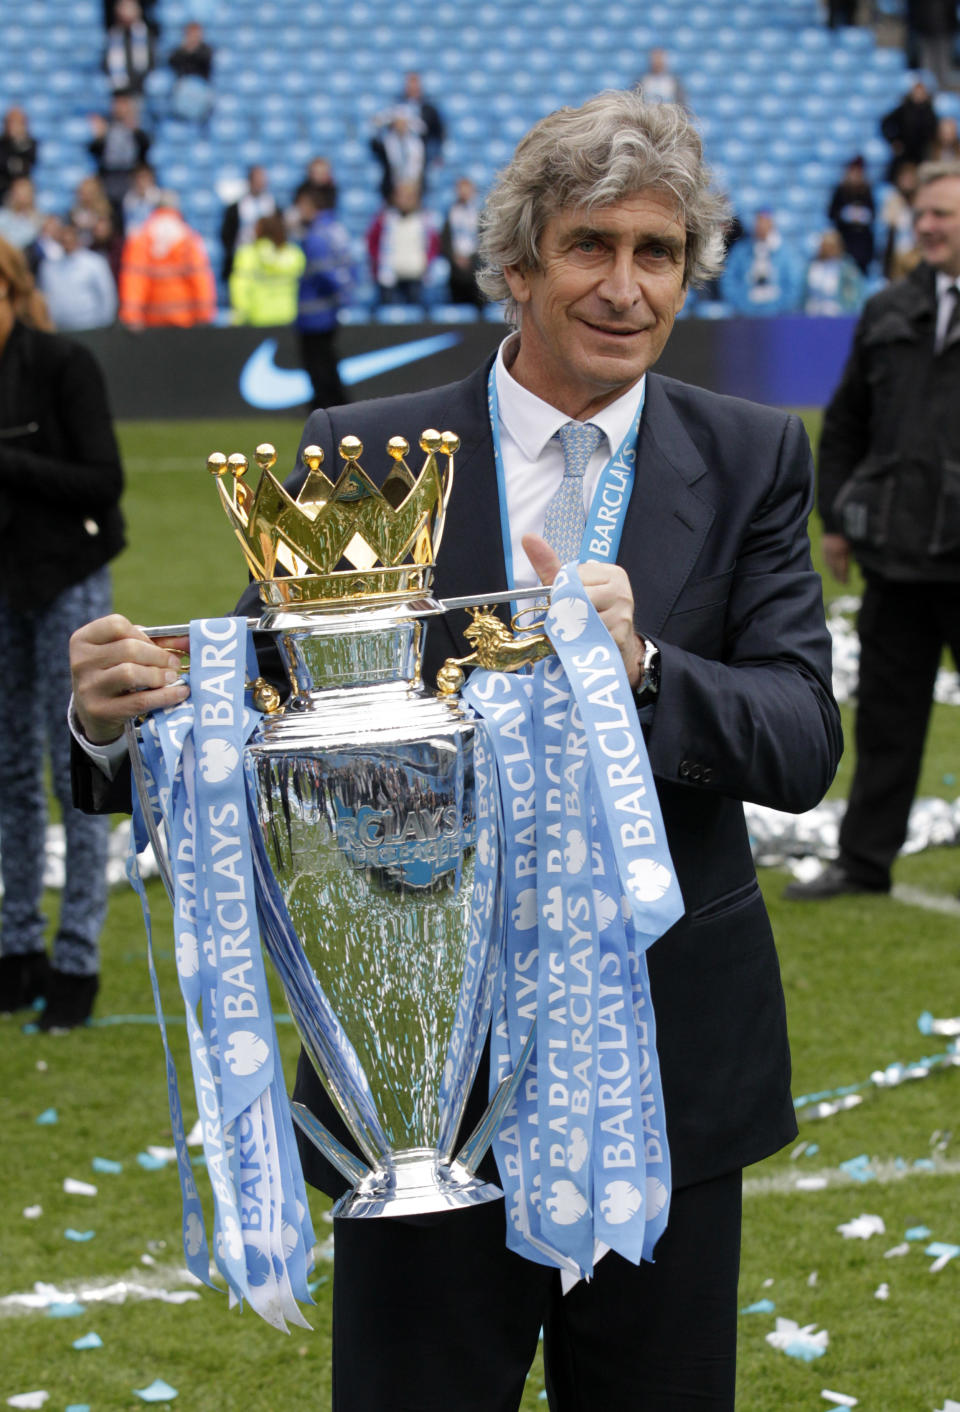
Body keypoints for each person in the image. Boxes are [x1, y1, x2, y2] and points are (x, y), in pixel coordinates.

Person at [69, 91, 841, 1410]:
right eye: (590, 246)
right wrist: (110, 719)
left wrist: (644, 668)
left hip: (660, 1064)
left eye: (659, 253)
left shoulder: (755, 453)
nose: (625, 285)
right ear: (515, 265)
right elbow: (251, 722)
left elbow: (800, 737)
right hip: (416, 1062)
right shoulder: (362, 451)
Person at [785, 158, 960, 902]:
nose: (926, 227)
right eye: (921, 214)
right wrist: (835, 524)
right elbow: (847, 421)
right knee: (888, 719)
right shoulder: (889, 307)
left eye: (942, 215)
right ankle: (864, 864)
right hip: (897, 557)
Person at [0, 236, 124, 1030]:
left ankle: (76, 959)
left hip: (68, 581)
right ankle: (16, 949)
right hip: (4, 589)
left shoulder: (61, 364)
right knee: (9, 773)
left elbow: (103, 479)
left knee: (73, 773)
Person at [118, 190, 216, 328]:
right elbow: (200, 278)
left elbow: (135, 279)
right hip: (184, 319)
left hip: (151, 322)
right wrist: (204, 315)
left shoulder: (142, 237)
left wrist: (131, 316)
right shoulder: (188, 237)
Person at [296, 185, 355, 407]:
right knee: (327, 361)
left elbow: (323, 271)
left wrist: (337, 289)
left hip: (314, 312)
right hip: (328, 309)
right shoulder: (336, 230)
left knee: (318, 365)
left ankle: (327, 405)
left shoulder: (316, 235)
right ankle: (333, 403)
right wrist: (344, 292)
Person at [366, 179, 439, 306]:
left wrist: (425, 261)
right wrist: (379, 260)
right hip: (389, 275)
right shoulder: (384, 219)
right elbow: (372, 242)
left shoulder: (425, 220)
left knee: (415, 312)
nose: (404, 200)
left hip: (416, 275)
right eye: (401, 196)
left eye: (409, 197)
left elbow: (433, 245)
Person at [721, 208, 803, 315]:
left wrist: (777, 309)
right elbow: (729, 281)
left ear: (771, 224)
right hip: (746, 315)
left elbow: (793, 286)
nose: (761, 226)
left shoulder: (786, 253)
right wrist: (744, 306)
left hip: (777, 316)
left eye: (765, 222)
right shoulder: (741, 251)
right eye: (758, 222)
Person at [38, 220, 117, 330]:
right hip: (59, 328)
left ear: (78, 238)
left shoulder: (95, 262)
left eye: (70, 236)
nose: (67, 240)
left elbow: (107, 294)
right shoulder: (48, 266)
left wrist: (105, 324)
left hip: (91, 327)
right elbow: (43, 296)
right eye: (63, 238)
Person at [229, 211, 305, 326]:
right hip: (288, 316)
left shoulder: (248, 255)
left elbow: (240, 288)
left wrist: (239, 318)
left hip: (256, 319)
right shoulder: (295, 255)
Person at [88, 92, 152, 225]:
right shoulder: (106, 125)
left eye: (123, 103)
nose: (119, 107)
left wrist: (136, 131)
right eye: (117, 103)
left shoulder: (135, 125)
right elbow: (94, 152)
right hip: (108, 178)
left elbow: (146, 150)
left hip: (130, 177)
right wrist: (99, 138)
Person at [219, 164, 276, 281]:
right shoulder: (237, 207)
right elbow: (227, 233)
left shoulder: (272, 206)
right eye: (257, 180)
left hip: (267, 261)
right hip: (242, 258)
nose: (260, 184)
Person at [440, 175, 484, 307]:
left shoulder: (480, 214)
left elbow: (484, 240)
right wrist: (455, 257)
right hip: (455, 269)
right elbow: (445, 240)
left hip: (475, 267)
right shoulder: (450, 213)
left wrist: (471, 257)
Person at [827, 155, 876, 275]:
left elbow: (873, 215)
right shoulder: (840, 190)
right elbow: (831, 213)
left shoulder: (866, 190)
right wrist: (846, 215)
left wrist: (862, 216)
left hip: (862, 243)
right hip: (845, 240)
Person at [881, 79, 939, 179]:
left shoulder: (930, 111)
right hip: (904, 152)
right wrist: (893, 141)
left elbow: (934, 132)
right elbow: (885, 123)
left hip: (923, 154)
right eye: (917, 91)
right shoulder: (903, 109)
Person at [803, 228, 865, 315]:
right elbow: (802, 294)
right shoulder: (811, 267)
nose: (828, 249)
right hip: (811, 313)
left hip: (837, 315)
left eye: (831, 246)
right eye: (825, 245)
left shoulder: (847, 269)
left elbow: (854, 297)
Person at [370, 109, 426, 202]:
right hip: (392, 186)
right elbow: (373, 139)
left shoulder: (416, 143)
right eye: (398, 123)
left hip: (412, 184)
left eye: (403, 123)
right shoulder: (387, 143)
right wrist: (385, 119)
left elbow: (424, 129)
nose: (400, 126)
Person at [103, 0, 155, 97]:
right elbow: (105, 65)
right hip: (118, 91)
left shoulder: (147, 35)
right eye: (123, 7)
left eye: (130, 7)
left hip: (141, 87)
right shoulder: (112, 36)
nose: (126, 11)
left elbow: (152, 63)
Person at [881, 158, 922, 279]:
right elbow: (888, 226)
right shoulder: (893, 200)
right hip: (897, 254)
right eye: (904, 178)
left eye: (910, 178)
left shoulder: (921, 202)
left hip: (917, 252)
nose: (907, 182)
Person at [167, 20, 215, 123]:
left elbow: (205, 60)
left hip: (202, 88)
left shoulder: (206, 50)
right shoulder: (180, 50)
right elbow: (172, 61)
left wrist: (192, 50)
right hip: (183, 87)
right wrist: (186, 49)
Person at [0, 108, 38, 205]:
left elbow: (27, 165)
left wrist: (18, 141)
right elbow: (3, 162)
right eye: (11, 122)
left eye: (17, 122)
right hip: (3, 188)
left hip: (22, 186)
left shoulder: (30, 143)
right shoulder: (2, 143)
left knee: (23, 188)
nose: (13, 126)